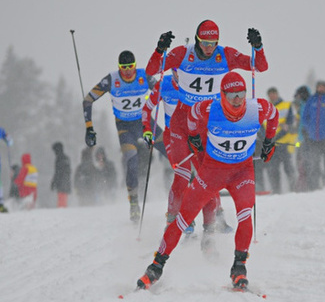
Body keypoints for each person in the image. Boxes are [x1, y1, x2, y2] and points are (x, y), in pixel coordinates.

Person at [135, 72, 278, 291]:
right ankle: (156, 266)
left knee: (245, 214)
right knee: (183, 218)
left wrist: (269, 141)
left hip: (242, 172)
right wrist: (193, 137)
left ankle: (239, 268)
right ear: (222, 95)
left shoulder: (257, 108)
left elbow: (274, 114)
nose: (237, 100)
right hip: (212, 172)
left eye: (241, 94)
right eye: (232, 96)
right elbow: (191, 115)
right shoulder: (210, 109)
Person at [145, 20, 267, 234]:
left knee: (206, 177)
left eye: (213, 42)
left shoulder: (225, 55)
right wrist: (159, 50)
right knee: (182, 173)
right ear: (197, 39)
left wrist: (258, 47)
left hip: (207, 123)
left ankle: (210, 227)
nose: (209, 47)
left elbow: (259, 66)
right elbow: (151, 69)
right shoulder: (183, 53)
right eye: (205, 42)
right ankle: (173, 220)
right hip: (182, 121)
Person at [82, 50, 164, 222]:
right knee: (131, 160)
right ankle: (134, 204)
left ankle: (189, 193)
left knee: (171, 151)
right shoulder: (112, 79)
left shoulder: (144, 76)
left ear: (135, 65)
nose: (127, 71)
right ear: (119, 67)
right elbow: (88, 100)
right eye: (123, 67)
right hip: (125, 127)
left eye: (130, 67)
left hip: (145, 123)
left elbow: (165, 91)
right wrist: (89, 128)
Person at [264, 87, 297, 193]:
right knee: (273, 169)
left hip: (284, 143)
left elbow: (290, 124)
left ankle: (294, 189)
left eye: (274, 93)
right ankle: (276, 190)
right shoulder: (267, 108)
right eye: (270, 94)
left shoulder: (286, 106)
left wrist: (275, 136)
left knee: (288, 168)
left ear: (277, 94)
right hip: (272, 145)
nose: (272, 96)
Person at [50, 141, 71, 208]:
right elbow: (68, 172)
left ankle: (62, 214)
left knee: (61, 204)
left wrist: (54, 182)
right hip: (66, 182)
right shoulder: (66, 158)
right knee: (64, 201)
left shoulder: (59, 158)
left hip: (61, 183)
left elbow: (58, 172)